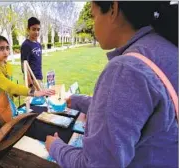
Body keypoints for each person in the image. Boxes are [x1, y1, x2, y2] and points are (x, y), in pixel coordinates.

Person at [45, 1, 178, 168]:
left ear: (113, 9)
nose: (93, 26)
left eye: (94, 16)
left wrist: (55, 147)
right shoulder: (165, 49)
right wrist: (75, 100)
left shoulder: (125, 69)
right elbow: (128, 110)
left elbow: (96, 165)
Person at [0, 34, 55, 98]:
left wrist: (16, 92)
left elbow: (8, 87)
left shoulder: (8, 65)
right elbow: (10, 86)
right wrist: (35, 93)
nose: (6, 52)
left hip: (9, 107)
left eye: (7, 48)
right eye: (1, 48)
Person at [20, 17, 43, 87]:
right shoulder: (26, 45)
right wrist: (30, 82)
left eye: (38, 30)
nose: (36, 32)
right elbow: (24, 65)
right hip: (32, 80)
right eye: (34, 29)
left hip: (39, 77)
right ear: (28, 29)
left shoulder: (38, 44)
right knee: (34, 98)